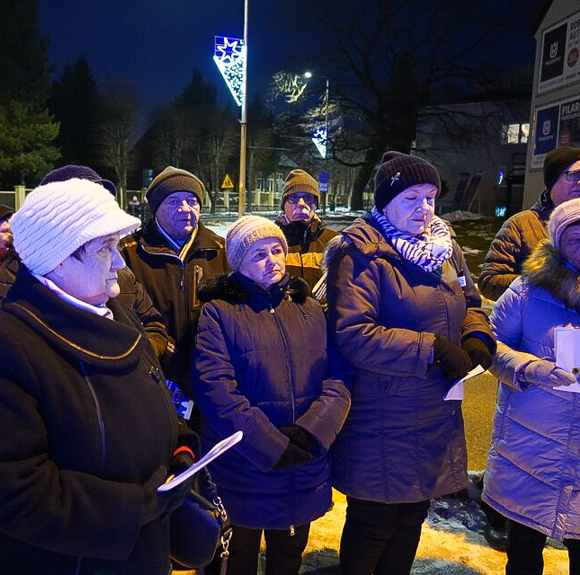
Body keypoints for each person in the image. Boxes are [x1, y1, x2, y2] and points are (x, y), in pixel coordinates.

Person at [0, 178, 196, 574]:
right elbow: (14, 491)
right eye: (106, 249)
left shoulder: (117, 314)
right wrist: (139, 506)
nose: (121, 264)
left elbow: (157, 399)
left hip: (144, 554)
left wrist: (182, 450)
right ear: (58, 258)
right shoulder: (2, 347)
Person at [324, 151, 496, 575]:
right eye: (412, 197)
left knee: (412, 518)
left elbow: (470, 301)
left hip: (434, 411)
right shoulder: (361, 253)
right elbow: (353, 334)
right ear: (385, 202)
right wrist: (432, 348)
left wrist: (475, 334)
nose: (424, 208)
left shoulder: (446, 247)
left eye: (431, 197)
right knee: (375, 523)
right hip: (381, 415)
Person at [192, 216, 351, 575]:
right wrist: (270, 445)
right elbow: (215, 388)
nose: (272, 260)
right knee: (238, 557)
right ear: (238, 262)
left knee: (289, 554)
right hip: (244, 467)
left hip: (304, 460)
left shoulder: (308, 308)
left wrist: (314, 432)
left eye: (277, 250)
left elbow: (339, 376)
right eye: (259, 254)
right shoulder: (219, 313)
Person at [0, 165, 171, 361]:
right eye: (83, 203)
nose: (117, 262)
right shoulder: (18, 270)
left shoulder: (117, 268)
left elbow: (153, 324)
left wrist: (140, 363)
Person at [483, 197, 580, 574]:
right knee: (524, 549)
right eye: (574, 233)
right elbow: (489, 345)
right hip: (530, 442)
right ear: (556, 238)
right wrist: (530, 368)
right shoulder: (525, 291)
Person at [120, 166, 230, 420]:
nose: (185, 209)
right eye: (174, 201)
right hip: (153, 376)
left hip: (210, 377)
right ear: (156, 208)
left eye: (192, 201)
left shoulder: (219, 251)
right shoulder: (130, 254)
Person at [479, 146, 580, 301]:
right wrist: (544, 285)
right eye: (574, 175)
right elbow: (489, 281)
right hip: (539, 323)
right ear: (553, 179)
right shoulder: (520, 225)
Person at [275, 169, 338, 292]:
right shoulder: (269, 240)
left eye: (308, 197)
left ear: (316, 204)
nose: (301, 203)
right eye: (293, 198)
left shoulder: (333, 242)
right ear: (284, 204)